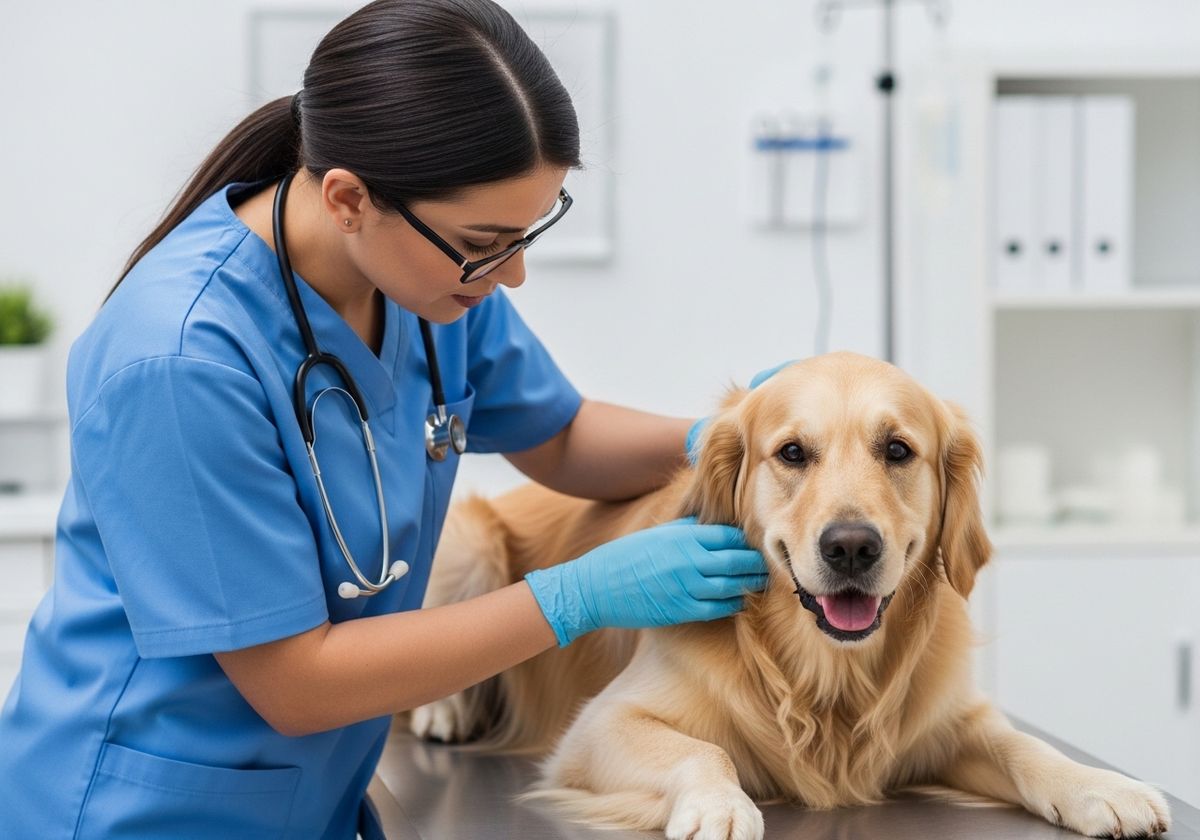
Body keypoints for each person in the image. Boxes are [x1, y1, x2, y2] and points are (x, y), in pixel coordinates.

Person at [0, 1, 772, 837]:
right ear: (348, 198)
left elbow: (559, 436)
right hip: (142, 809)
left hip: (310, 799)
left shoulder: (436, 284)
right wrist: (576, 596)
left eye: (528, 233)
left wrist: (733, 433)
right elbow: (298, 683)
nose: (511, 277)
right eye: (487, 241)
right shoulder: (181, 360)